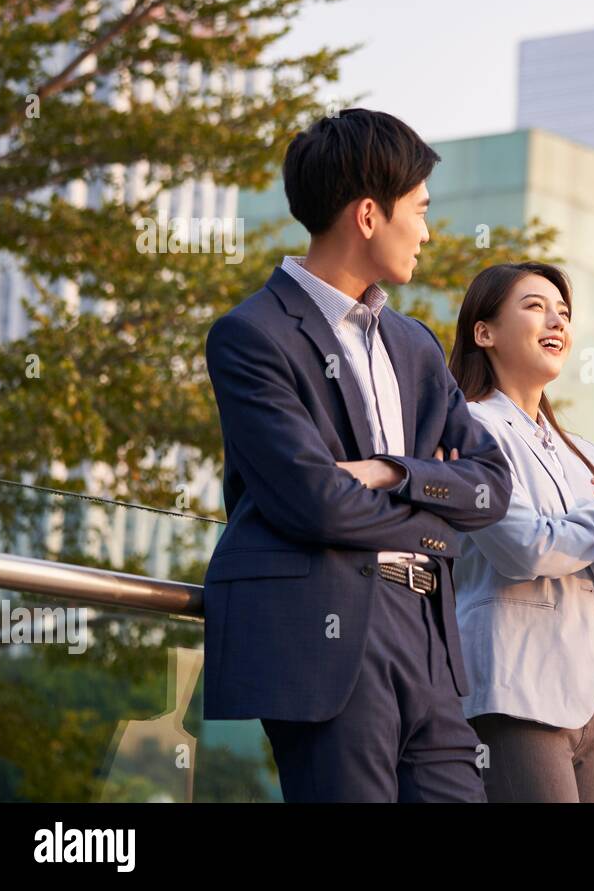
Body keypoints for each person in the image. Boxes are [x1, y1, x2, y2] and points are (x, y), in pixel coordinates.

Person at [202, 108, 512, 802]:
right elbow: (313, 503)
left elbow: (492, 485)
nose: (428, 233)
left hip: (430, 639)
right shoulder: (251, 337)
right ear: (369, 215)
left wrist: (390, 473)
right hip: (326, 635)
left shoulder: (415, 344)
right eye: (421, 210)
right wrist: (438, 512)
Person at [447, 261, 594, 802]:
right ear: (484, 333)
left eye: (564, 312)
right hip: (517, 685)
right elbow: (527, 547)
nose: (556, 320)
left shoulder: (582, 451)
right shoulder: (470, 426)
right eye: (535, 306)